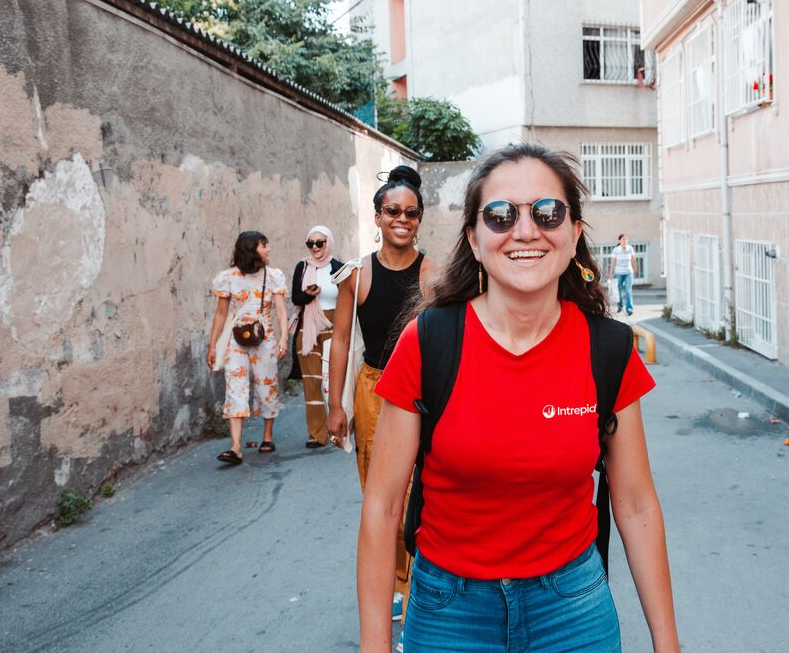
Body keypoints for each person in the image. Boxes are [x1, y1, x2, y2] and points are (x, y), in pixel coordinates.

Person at [358, 144, 679, 653]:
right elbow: (382, 507)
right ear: (474, 238)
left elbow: (637, 504)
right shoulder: (428, 342)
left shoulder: (607, 349)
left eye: (547, 213)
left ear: (574, 233)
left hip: (573, 612)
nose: (526, 231)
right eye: (500, 215)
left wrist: (668, 644)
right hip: (449, 614)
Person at [327, 165, 437, 629]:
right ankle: (396, 583)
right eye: (393, 211)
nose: (402, 220)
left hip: (421, 395)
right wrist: (335, 406)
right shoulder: (356, 275)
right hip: (373, 393)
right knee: (380, 498)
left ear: (419, 220)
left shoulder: (432, 275)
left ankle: (416, 595)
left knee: (418, 498)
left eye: (411, 213)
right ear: (377, 217)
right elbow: (339, 340)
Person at [206, 231, 289, 465]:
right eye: (264, 245)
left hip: (264, 337)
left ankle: (267, 436)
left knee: (267, 383)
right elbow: (221, 314)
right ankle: (235, 447)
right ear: (251, 249)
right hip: (235, 338)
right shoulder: (228, 278)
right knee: (234, 386)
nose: (268, 249)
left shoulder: (273, 276)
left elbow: (281, 310)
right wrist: (213, 345)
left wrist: (283, 338)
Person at [289, 225, 342, 449]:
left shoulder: (339, 268)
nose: (315, 247)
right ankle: (316, 434)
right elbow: (296, 298)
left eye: (319, 243)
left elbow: (347, 300)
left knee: (334, 381)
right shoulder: (302, 267)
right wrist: (308, 295)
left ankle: (338, 430)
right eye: (310, 243)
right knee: (312, 382)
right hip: (308, 328)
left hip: (333, 325)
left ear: (328, 243)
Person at [610, 233, 636, 316]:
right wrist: (611, 273)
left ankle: (629, 309)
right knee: (619, 291)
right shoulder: (616, 250)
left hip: (628, 273)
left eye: (626, 239)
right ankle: (620, 305)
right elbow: (613, 262)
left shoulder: (630, 249)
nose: (625, 241)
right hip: (618, 273)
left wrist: (635, 268)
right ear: (620, 240)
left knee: (628, 291)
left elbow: (633, 260)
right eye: (623, 239)